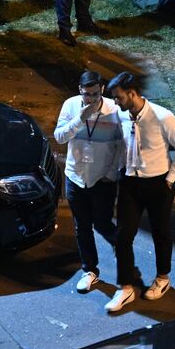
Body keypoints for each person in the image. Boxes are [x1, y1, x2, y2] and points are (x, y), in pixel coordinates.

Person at [105, 71, 175, 313]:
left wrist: (171, 178)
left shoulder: (162, 116)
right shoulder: (121, 116)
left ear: (132, 93)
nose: (116, 102)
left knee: (161, 233)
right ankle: (125, 287)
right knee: (123, 236)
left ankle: (163, 278)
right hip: (130, 182)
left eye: (119, 97)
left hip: (158, 183)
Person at [53, 70, 123, 293]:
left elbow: (121, 146)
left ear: (102, 89)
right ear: (80, 91)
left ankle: (122, 250)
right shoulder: (71, 105)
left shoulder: (113, 110)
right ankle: (90, 271)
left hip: (102, 179)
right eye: (86, 94)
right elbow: (60, 136)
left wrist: (111, 174)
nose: (91, 99)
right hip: (76, 176)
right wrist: (80, 118)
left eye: (95, 94)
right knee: (81, 226)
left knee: (102, 222)